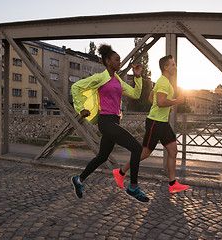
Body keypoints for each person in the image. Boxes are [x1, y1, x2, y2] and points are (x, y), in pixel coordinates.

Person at [70, 44, 150, 203]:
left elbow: (135, 94)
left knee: (102, 156)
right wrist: (81, 109)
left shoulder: (118, 80)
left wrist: (138, 77)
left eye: (120, 60)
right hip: (105, 122)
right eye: (117, 60)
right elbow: (75, 86)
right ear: (108, 61)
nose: (119, 62)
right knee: (136, 148)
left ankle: (79, 180)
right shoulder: (101, 77)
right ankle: (133, 188)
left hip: (114, 121)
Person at [113, 55, 190, 193]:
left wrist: (166, 105)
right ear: (165, 67)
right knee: (145, 152)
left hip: (161, 122)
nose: (175, 67)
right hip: (155, 122)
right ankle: (121, 172)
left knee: (173, 151)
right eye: (173, 64)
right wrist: (175, 101)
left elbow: (151, 98)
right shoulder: (163, 82)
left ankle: (172, 184)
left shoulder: (163, 81)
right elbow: (160, 102)